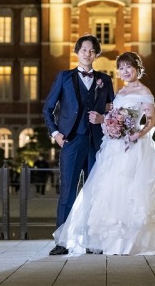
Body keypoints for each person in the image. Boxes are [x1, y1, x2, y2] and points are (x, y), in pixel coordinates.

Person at [53, 51, 155, 256]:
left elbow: (151, 121)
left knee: (130, 191)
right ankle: (109, 240)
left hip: (133, 146)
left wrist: (138, 134)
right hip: (113, 146)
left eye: (129, 67)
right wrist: (106, 122)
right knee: (109, 190)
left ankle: (130, 241)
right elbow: (112, 114)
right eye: (121, 68)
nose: (125, 71)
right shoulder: (120, 93)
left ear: (137, 68)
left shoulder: (145, 92)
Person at [43, 34, 115, 256]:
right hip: (71, 142)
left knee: (95, 193)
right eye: (84, 50)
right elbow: (47, 108)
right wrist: (55, 134)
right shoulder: (64, 77)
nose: (88, 53)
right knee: (68, 193)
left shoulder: (105, 80)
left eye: (92, 51)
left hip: (97, 144)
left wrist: (102, 118)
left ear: (96, 55)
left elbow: (113, 110)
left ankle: (93, 242)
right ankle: (62, 242)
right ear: (77, 52)